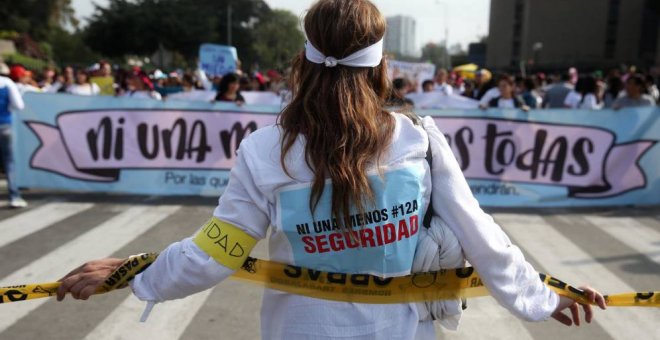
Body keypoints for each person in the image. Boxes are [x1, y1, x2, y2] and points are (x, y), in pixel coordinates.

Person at [56, 1, 606, 339]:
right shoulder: (420, 139)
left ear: (303, 60)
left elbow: (215, 253)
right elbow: (481, 236)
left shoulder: (265, 150)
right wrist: (542, 297)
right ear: (381, 66)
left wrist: (135, 271)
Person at [0, 63, 27, 208]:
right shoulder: (8, 83)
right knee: (9, 162)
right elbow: (19, 105)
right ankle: (14, 195)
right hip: (5, 124)